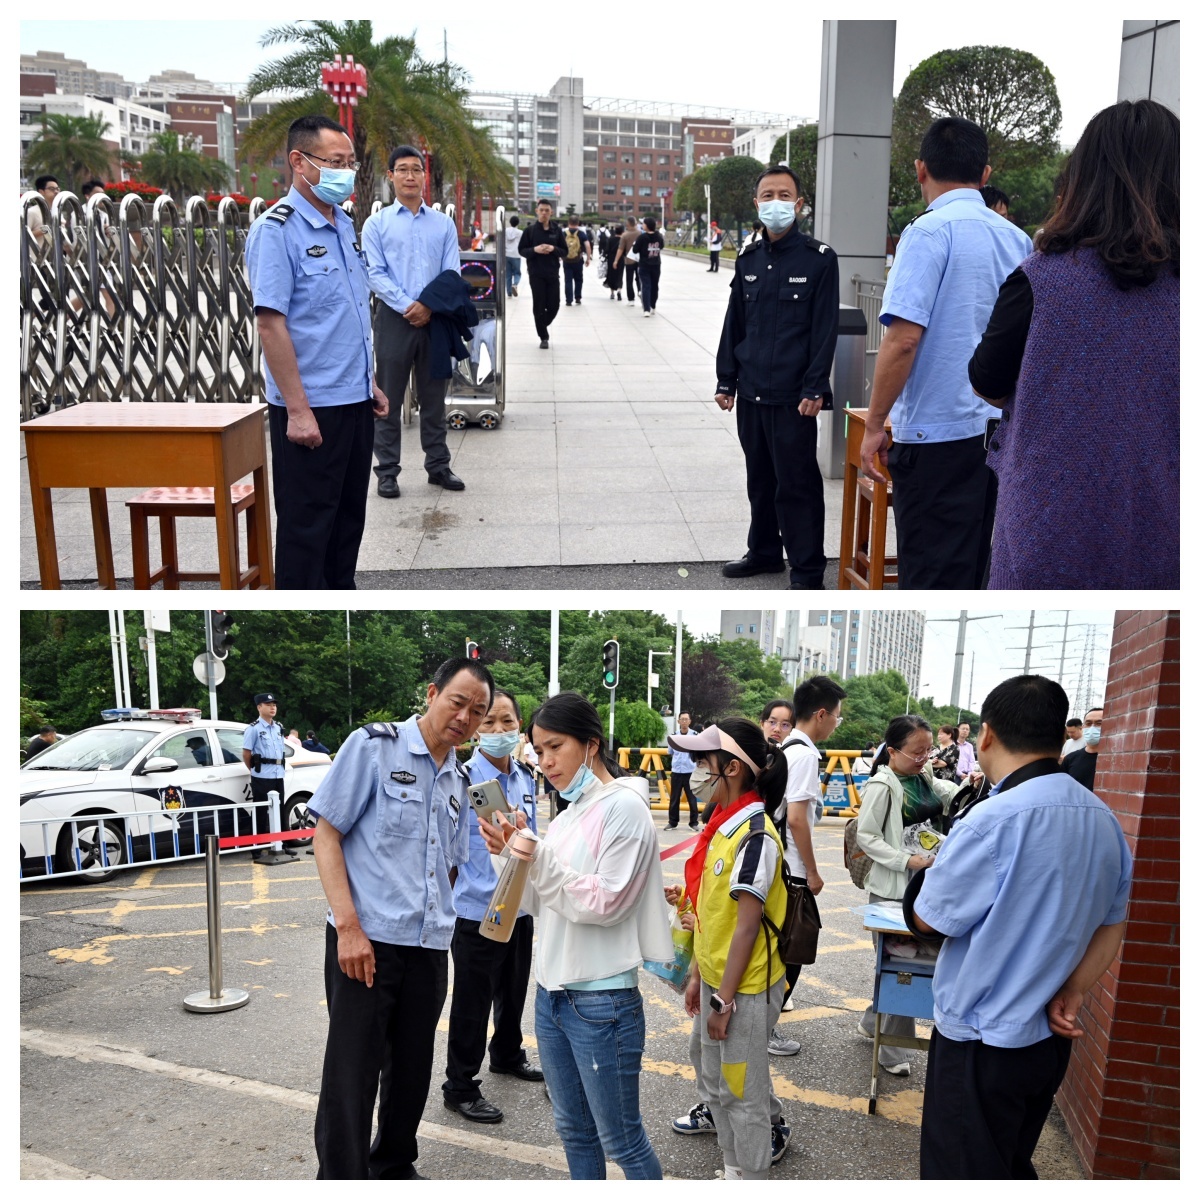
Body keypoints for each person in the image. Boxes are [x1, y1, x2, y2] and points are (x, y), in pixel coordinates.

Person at [907, 676, 1131, 1179]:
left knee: (962, 1172)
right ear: (1061, 736)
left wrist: (924, 871)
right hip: (1047, 1042)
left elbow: (929, 919)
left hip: (981, 1042)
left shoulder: (992, 819)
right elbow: (1113, 924)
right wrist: (1074, 992)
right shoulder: (1103, 820)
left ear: (986, 735)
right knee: (1009, 1164)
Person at [968, 100, 1179, 590]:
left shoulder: (1039, 279)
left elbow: (988, 382)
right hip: (1170, 535)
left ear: (1083, 177)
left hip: (1048, 527)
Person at [306, 657, 494, 1179]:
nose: (465, 717)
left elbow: (450, 865)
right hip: (367, 942)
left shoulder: (460, 778)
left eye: (477, 711)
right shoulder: (373, 747)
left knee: (411, 1070)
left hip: (429, 947)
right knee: (353, 1073)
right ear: (432, 694)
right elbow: (326, 835)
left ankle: (392, 1165)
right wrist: (347, 928)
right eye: (458, 702)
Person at [478, 692, 671, 1180]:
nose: (544, 762)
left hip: (603, 1002)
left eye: (554, 748)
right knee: (573, 1131)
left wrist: (537, 859)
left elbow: (607, 903)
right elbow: (537, 904)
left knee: (622, 1141)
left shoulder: (623, 807)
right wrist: (510, 855)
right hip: (553, 996)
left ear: (591, 745)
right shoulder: (567, 815)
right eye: (537, 751)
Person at [860, 116, 1033, 590]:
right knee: (977, 567)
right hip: (998, 435)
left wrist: (875, 424)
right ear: (984, 174)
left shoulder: (928, 233)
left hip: (936, 437)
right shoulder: (1017, 240)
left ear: (920, 169)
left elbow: (903, 339)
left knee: (931, 575)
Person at [245, 114, 387, 589]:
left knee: (348, 523)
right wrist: (299, 412)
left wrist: (368, 382)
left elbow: (344, 315)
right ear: (299, 162)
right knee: (308, 530)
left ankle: (342, 597)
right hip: (312, 409)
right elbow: (271, 325)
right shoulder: (277, 231)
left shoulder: (343, 223)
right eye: (336, 162)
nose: (346, 172)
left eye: (351, 162)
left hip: (353, 401)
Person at [666, 718, 792, 1178]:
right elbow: (713, 917)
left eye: (704, 761)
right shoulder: (723, 826)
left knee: (744, 1094)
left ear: (733, 769)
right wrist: (699, 977)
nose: (696, 770)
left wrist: (723, 999)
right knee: (717, 1085)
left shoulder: (755, 835)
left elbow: (745, 930)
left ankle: (752, 1177)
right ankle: (733, 1168)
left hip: (744, 990)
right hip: (719, 980)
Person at [715, 164, 840, 590]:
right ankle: (764, 553)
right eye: (767, 195)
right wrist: (725, 380)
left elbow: (825, 329)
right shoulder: (748, 259)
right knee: (760, 479)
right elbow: (735, 323)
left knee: (798, 486)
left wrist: (815, 386)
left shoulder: (820, 260)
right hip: (750, 393)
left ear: (799, 204)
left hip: (794, 397)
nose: (775, 203)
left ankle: (807, 571)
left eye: (784, 195)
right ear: (756, 203)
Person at [443, 690, 543, 1123]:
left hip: (519, 906)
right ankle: (460, 1086)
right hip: (476, 909)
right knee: (472, 1001)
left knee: (514, 986)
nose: (499, 731)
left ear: (520, 725)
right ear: (476, 728)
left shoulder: (525, 777)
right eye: (489, 723)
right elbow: (447, 852)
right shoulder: (461, 779)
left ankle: (506, 1052)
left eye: (507, 722)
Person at [853, 713, 961, 1075]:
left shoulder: (922, 774)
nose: (924, 758)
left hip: (925, 883)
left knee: (903, 963)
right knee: (902, 966)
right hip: (893, 892)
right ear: (893, 751)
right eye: (917, 752)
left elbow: (941, 796)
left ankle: (873, 1022)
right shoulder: (882, 786)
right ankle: (892, 1053)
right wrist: (906, 859)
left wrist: (966, 784)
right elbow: (867, 837)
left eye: (928, 750)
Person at [361, 144, 465, 498]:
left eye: (416, 169)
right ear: (390, 176)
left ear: (424, 175)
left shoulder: (443, 224)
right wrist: (411, 306)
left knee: (434, 397)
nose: (410, 176)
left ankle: (438, 465)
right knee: (387, 398)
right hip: (394, 319)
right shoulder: (377, 224)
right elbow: (374, 273)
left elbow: (452, 272)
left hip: (435, 320)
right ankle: (387, 471)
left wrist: (428, 307)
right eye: (402, 169)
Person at [773, 677, 844, 1027]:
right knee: (792, 952)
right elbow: (798, 819)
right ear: (820, 714)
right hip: (792, 873)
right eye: (837, 717)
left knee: (780, 952)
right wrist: (813, 872)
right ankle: (764, 1030)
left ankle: (761, 1028)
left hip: (780, 867)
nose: (836, 723)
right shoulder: (803, 757)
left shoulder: (787, 750)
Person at [241, 692, 297, 860]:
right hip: (262, 776)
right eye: (268, 704)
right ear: (259, 707)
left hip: (278, 774)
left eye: (274, 704)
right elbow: (246, 754)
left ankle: (281, 844)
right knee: (260, 812)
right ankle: (256, 848)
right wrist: (254, 771)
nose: (273, 707)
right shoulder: (253, 729)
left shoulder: (279, 727)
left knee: (279, 810)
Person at [518, 199, 567, 349]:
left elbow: (565, 251)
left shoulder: (557, 231)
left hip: (552, 273)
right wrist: (535, 250)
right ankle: (543, 336)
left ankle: (541, 323)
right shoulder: (530, 231)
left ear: (551, 212)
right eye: (542, 210)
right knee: (539, 305)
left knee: (554, 305)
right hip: (536, 274)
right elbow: (522, 250)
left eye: (547, 210)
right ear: (537, 211)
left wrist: (553, 249)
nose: (544, 213)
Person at [667, 711, 700, 831]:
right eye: (682, 719)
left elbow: (698, 752)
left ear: (690, 721)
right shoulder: (673, 736)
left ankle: (693, 823)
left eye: (686, 719)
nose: (684, 722)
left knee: (692, 798)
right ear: (678, 721)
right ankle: (672, 822)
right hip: (676, 771)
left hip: (690, 771)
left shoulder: (696, 736)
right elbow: (670, 752)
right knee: (674, 798)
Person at [1061, 706, 1102, 792]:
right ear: (1083, 727)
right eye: (1088, 723)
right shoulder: (1070, 759)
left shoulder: (1116, 760)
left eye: (1099, 723)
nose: (1092, 727)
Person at [633, 216, 664, 316]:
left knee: (646, 286)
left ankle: (646, 309)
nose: (642, 225)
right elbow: (662, 246)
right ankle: (653, 306)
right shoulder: (659, 236)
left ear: (647, 226)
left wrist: (635, 245)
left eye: (643, 223)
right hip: (656, 265)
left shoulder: (642, 237)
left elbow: (635, 250)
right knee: (655, 286)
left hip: (644, 265)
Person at [562, 214, 591, 306]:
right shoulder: (581, 234)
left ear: (568, 223)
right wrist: (588, 258)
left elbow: (558, 245)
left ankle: (568, 300)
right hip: (578, 260)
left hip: (566, 260)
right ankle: (577, 297)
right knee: (578, 279)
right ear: (578, 223)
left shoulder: (564, 233)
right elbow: (587, 246)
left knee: (568, 280)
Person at [613, 216, 641, 306]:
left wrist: (616, 260)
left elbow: (620, 249)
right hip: (640, 260)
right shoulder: (641, 234)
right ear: (635, 223)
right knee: (639, 278)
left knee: (629, 280)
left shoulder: (625, 235)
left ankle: (631, 299)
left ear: (628, 224)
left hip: (629, 261)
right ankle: (640, 291)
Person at [603, 223, 624, 300]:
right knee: (620, 275)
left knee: (611, 275)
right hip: (621, 259)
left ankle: (612, 293)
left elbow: (606, 250)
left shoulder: (610, 239)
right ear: (622, 232)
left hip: (611, 259)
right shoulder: (623, 240)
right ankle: (619, 290)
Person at [503, 214, 522, 297]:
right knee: (517, 273)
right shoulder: (520, 232)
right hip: (516, 254)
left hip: (507, 254)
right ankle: (515, 284)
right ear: (517, 223)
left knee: (508, 274)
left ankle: (509, 292)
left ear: (510, 222)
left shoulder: (505, 231)